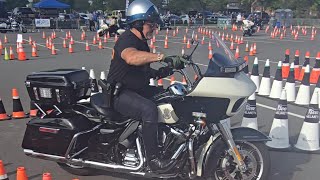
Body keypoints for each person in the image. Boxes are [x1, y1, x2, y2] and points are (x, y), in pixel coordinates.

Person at [106, 0, 185, 172]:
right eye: (152, 24)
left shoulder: (141, 41)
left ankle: (169, 141)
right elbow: (131, 58)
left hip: (136, 89)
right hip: (120, 94)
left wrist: (169, 69)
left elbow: (144, 72)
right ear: (139, 22)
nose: (154, 28)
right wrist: (161, 57)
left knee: (168, 96)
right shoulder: (127, 39)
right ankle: (153, 160)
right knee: (149, 109)